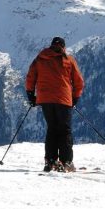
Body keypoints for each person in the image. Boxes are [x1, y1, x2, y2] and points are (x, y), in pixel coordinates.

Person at [25, 36, 84, 172]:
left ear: (51, 46)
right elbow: (79, 82)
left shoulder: (40, 58)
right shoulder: (68, 60)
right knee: (64, 130)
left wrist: (31, 95)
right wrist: (75, 98)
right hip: (63, 100)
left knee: (52, 129)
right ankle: (66, 162)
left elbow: (30, 77)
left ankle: (50, 161)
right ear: (63, 47)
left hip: (45, 100)